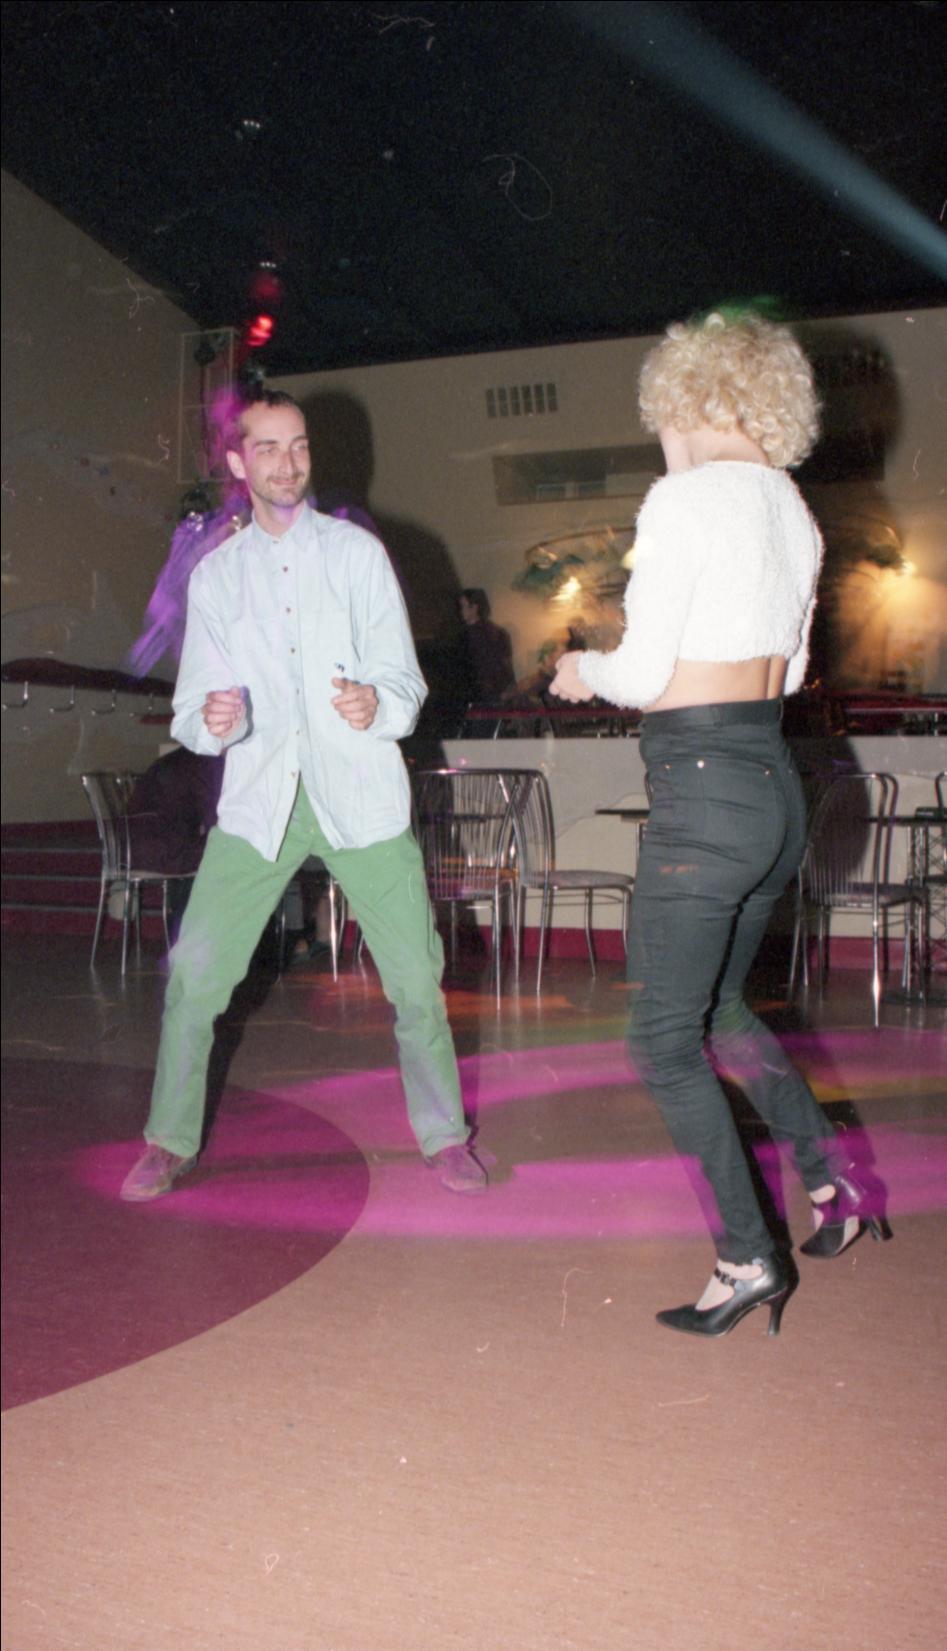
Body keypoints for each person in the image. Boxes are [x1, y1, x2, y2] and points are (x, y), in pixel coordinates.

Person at [550, 311, 886, 1337]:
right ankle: (832, 1183)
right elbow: (787, 667)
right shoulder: (790, 509)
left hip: (701, 794)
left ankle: (746, 1257)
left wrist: (581, 668)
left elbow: (641, 672)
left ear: (688, 397)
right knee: (725, 1010)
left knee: (662, 1042)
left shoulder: (685, 499)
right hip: (771, 785)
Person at [120, 388, 486, 1201]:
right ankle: (167, 1140)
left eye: (299, 446)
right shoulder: (216, 577)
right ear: (238, 461)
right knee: (194, 978)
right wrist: (215, 718)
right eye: (269, 448)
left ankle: (444, 1138)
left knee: (415, 979)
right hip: (260, 805)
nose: (287, 463)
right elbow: (194, 707)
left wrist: (376, 703)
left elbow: (403, 680)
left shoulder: (357, 557)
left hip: (360, 796)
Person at [457, 588, 516, 703]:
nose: (461, 610)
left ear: (474, 608)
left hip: (482, 695)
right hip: (496, 692)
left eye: (463, 606)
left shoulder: (468, 636)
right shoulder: (498, 632)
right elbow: (506, 666)